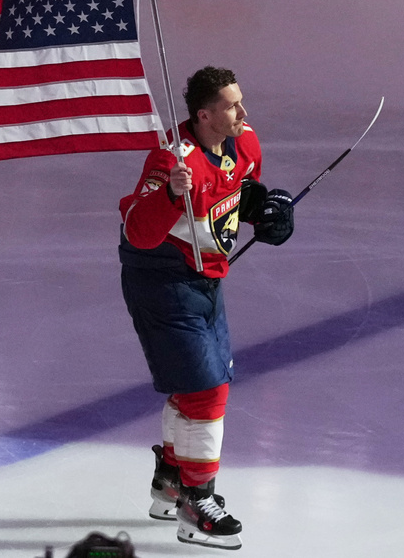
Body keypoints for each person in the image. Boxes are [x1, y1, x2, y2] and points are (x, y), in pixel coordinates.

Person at [118, 66, 294, 550]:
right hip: (162, 279)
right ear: (204, 114)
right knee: (207, 392)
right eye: (233, 105)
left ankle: (172, 481)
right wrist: (173, 193)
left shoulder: (244, 142)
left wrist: (271, 211)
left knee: (198, 383)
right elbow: (138, 229)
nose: (244, 112)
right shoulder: (172, 161)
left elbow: (243, 192)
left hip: (207, 277)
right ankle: (197, 504)